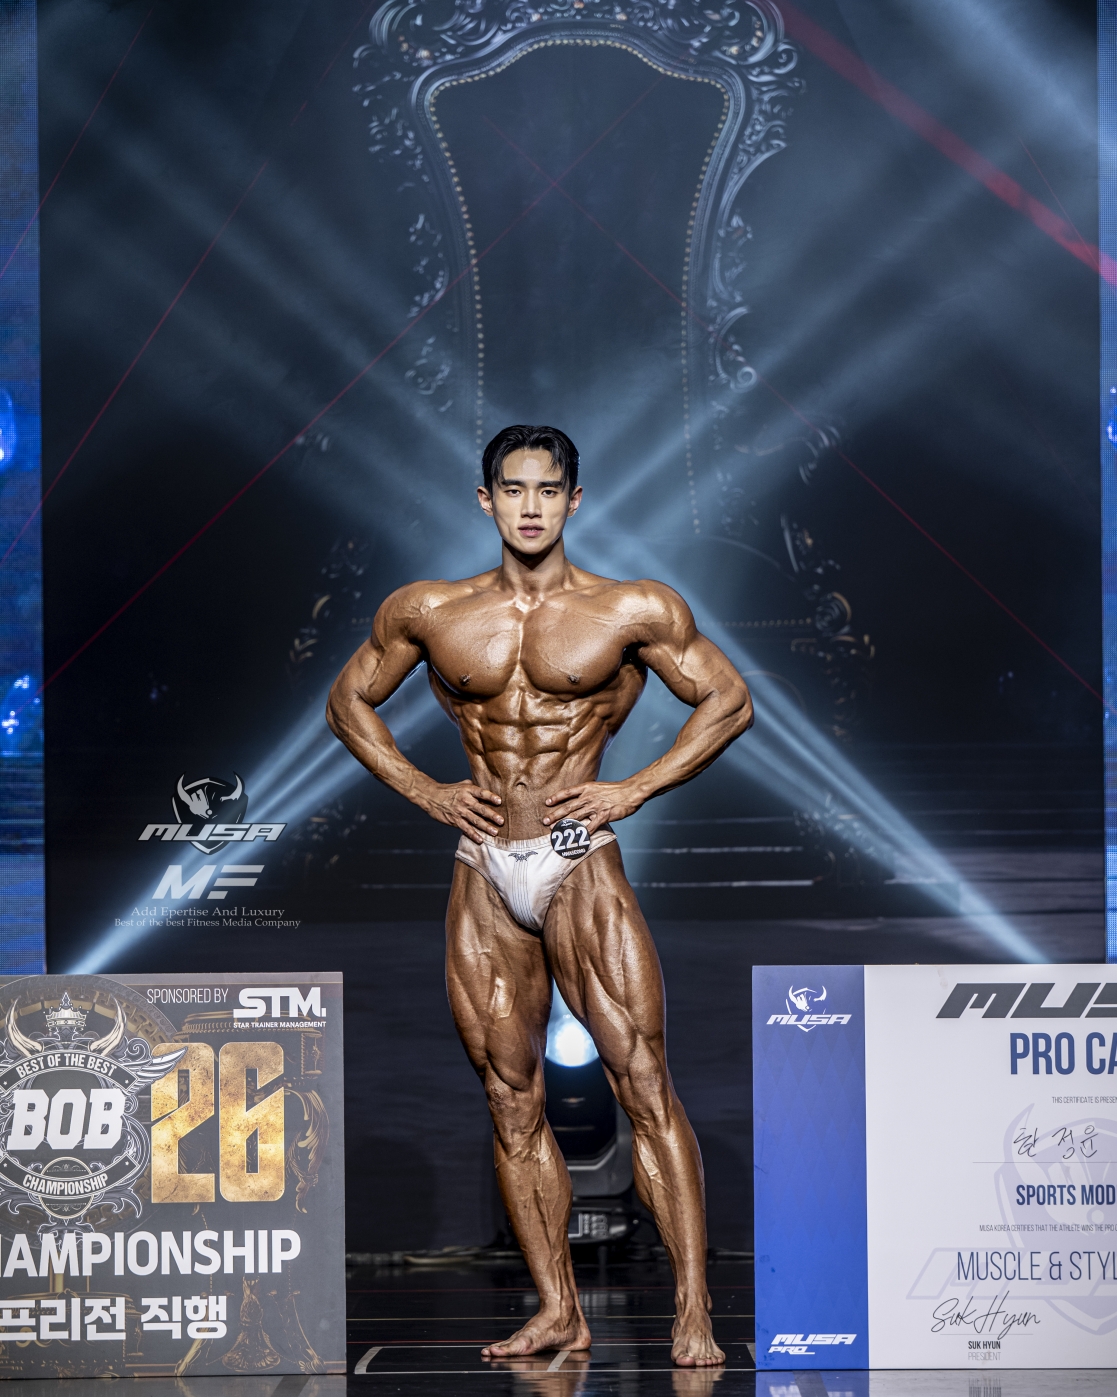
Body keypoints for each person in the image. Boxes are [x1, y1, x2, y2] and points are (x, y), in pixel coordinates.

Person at [327, 425, 753, 1367]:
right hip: (482, 861)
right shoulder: (429, 609)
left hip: (576, 853)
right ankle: (559, 1308)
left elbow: (728, 700)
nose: (530, 506)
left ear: (574, 500)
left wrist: (633, 788)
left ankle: (691, 1309)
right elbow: (347, 701)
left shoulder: (630, 607)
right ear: (486, 500)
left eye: (548, 490)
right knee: (509, 1097)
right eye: (513, 489)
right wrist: (426, 791)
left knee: (642, 1082)